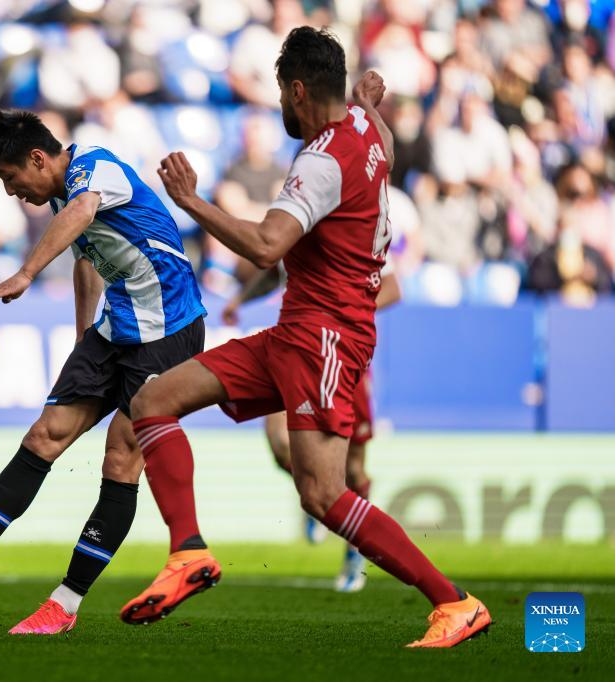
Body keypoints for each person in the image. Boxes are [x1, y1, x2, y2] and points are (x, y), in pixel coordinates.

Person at [120, 27, 491, 649]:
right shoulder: (365, 128)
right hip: (295, 330)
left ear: (297, 91)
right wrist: (367, 104)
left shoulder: (321, 160)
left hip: (326, 336)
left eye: (279, 94)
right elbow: (386, 145)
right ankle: (188, 553)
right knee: (152, 401)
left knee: (323, 493)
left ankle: (454, 603)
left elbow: (268, 245)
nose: (279, 106)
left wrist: (192, 202)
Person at [0, 110, 207, 636]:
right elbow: (89, 260)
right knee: (44, 435)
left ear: (37, 158)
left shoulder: (95, 168)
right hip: (116, 328)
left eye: (9, 177)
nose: (10, 191)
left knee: (121, 458)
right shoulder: (63, 199)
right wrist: (82, 338)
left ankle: (64, 604)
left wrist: (26, 272)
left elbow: (83, 210)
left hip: (169, 330)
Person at [222, 266, 402, 592]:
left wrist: (342, 314)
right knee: (280, 444)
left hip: (344, 354)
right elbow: (273, 270)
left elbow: (393, 289)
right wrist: (239, 299)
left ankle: (354, 548)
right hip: (297, 348)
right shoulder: (292, 233)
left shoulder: (359, 238)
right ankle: (314, 489)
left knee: (353, 469)